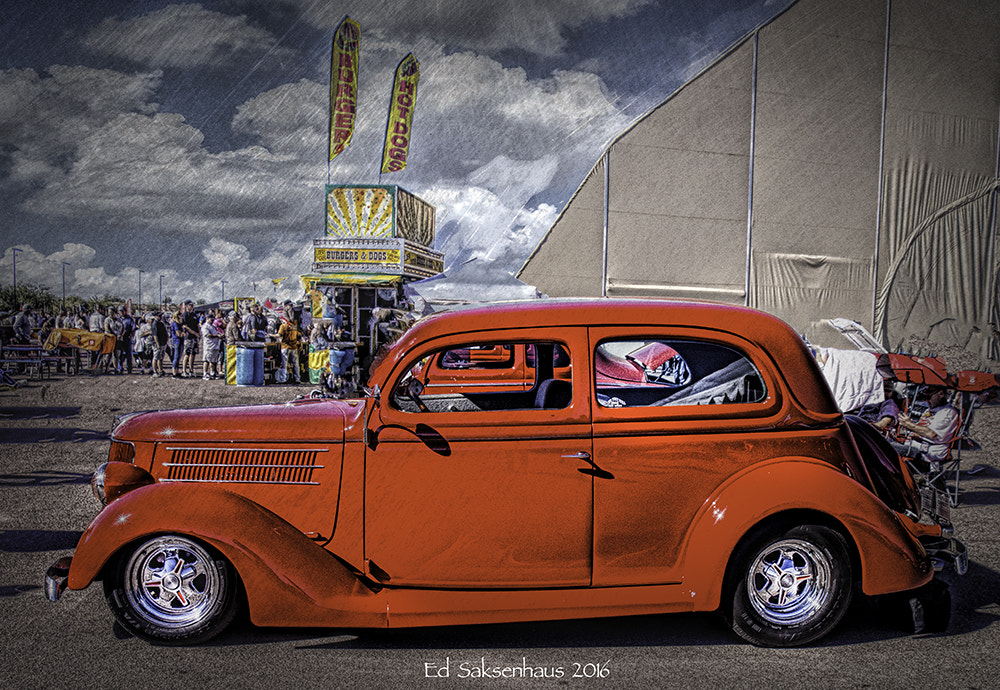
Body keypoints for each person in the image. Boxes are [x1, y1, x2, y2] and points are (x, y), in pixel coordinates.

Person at [891, 386, 961, 471]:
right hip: (913, 446)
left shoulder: (948, 412)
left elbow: (931, 434)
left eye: (928, 397)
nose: (926, 401)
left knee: (884, 447)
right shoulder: (930, 409)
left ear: (941, 394)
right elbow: (919, 429)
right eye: (925, 398)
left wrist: (910, 425)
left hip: (925, 452)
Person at [277, 314, 301, 383]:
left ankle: (284, 379)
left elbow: (279, 335)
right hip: (294, 347)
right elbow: (299, 335)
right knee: (296, 364)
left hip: (285, 346)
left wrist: (271, 335)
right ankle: (297, 379)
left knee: (284, 364)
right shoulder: (294, 327)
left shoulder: (283, 326)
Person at [180, 301, 200, 377]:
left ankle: (191, 370)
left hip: (195, 337)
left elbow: (197, 324)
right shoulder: (185, 315)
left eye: (192, 305)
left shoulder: (194, 314)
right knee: (187, 354)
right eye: (190, 305)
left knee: (193, 354)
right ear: (186, 306)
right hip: (188, 337)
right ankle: (184, 370)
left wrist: (199, 333)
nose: (191, 306)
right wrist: (195, 333)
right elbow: (185, 326)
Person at [201, 313, 222, 380]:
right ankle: (205, 373)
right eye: (211, 319)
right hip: (208, 345)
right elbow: (207, 335)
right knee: (207, 360)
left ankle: (212, 372)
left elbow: (216, 333)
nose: (212, 320)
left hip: (215, 345)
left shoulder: (212, 326)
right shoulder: (205, 326)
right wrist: (216, 336)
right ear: (207, 319)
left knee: (213, 360)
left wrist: (220, 335)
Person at [151, 312, 169, 378]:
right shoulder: (154, 325)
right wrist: (157, 344)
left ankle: (160, 370)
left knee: (160, 357)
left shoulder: (161, 324)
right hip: (157, 344)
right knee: (156, 357)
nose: (160, 317)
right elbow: (155, 335)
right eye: (159, 316)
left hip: (163, 343)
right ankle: (155, 371)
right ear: (155, 316)